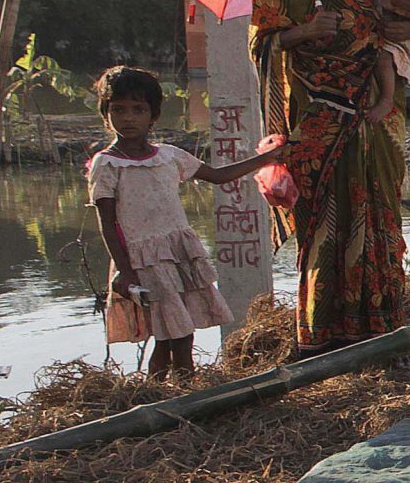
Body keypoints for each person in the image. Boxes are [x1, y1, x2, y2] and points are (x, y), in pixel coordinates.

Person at [248, 0, 410, 355]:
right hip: (315, 109)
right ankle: (322, 333)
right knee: (320, 217)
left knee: (378, 209)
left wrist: (401, 29)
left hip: (373, 107)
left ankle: (382, 324)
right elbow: (262, 40)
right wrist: (305, 31)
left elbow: (400, 23)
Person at [87, 64, 287, 378]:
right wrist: (125, 272)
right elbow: (108, 223)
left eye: (138, 110)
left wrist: (265, 159)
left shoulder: (168, 156)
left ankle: (173, 393)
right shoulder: (108, 164)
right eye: (118, 110)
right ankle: (176, 392)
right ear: (106, 114)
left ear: (153, 116)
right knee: (173, 335)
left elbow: (219, 176)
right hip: (144, 260)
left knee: (180, 334)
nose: (128, 118)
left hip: (178, 252)